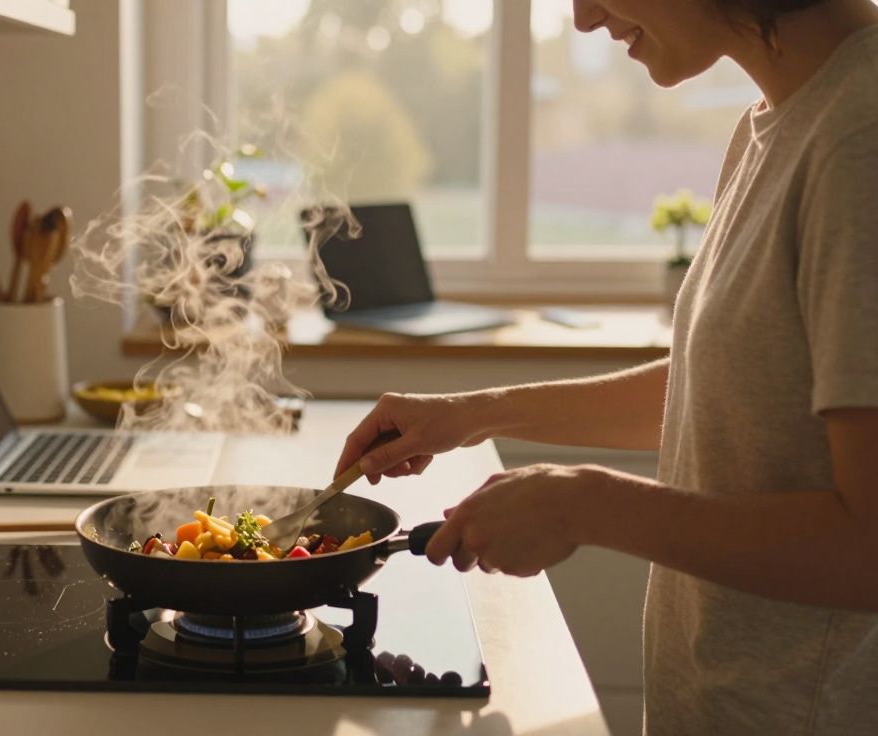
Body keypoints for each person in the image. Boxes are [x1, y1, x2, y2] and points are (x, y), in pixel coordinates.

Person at [334, 1, 878, 733]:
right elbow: (727, 386)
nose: (585, 17)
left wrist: (584, 504)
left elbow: (867, 546)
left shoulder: (862, 139)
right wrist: (472, 413)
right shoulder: (776, 121)